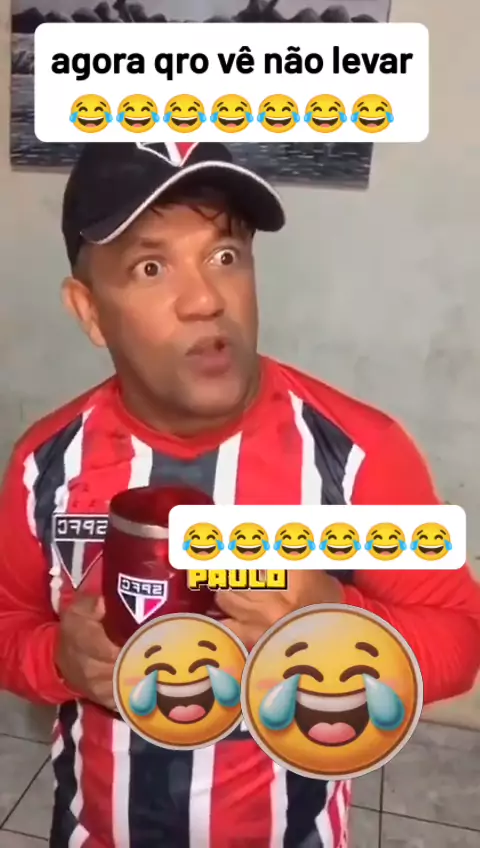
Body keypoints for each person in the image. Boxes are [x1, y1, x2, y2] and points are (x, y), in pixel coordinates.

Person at [0, 140, 479, 848]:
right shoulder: (44, 464)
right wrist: (58, 661)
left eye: (226, 255)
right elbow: (9, 622)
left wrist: (335, 618)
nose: (206, 300)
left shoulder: (359, 455)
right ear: (90, 311)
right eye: (151, 267)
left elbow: (460, 639)